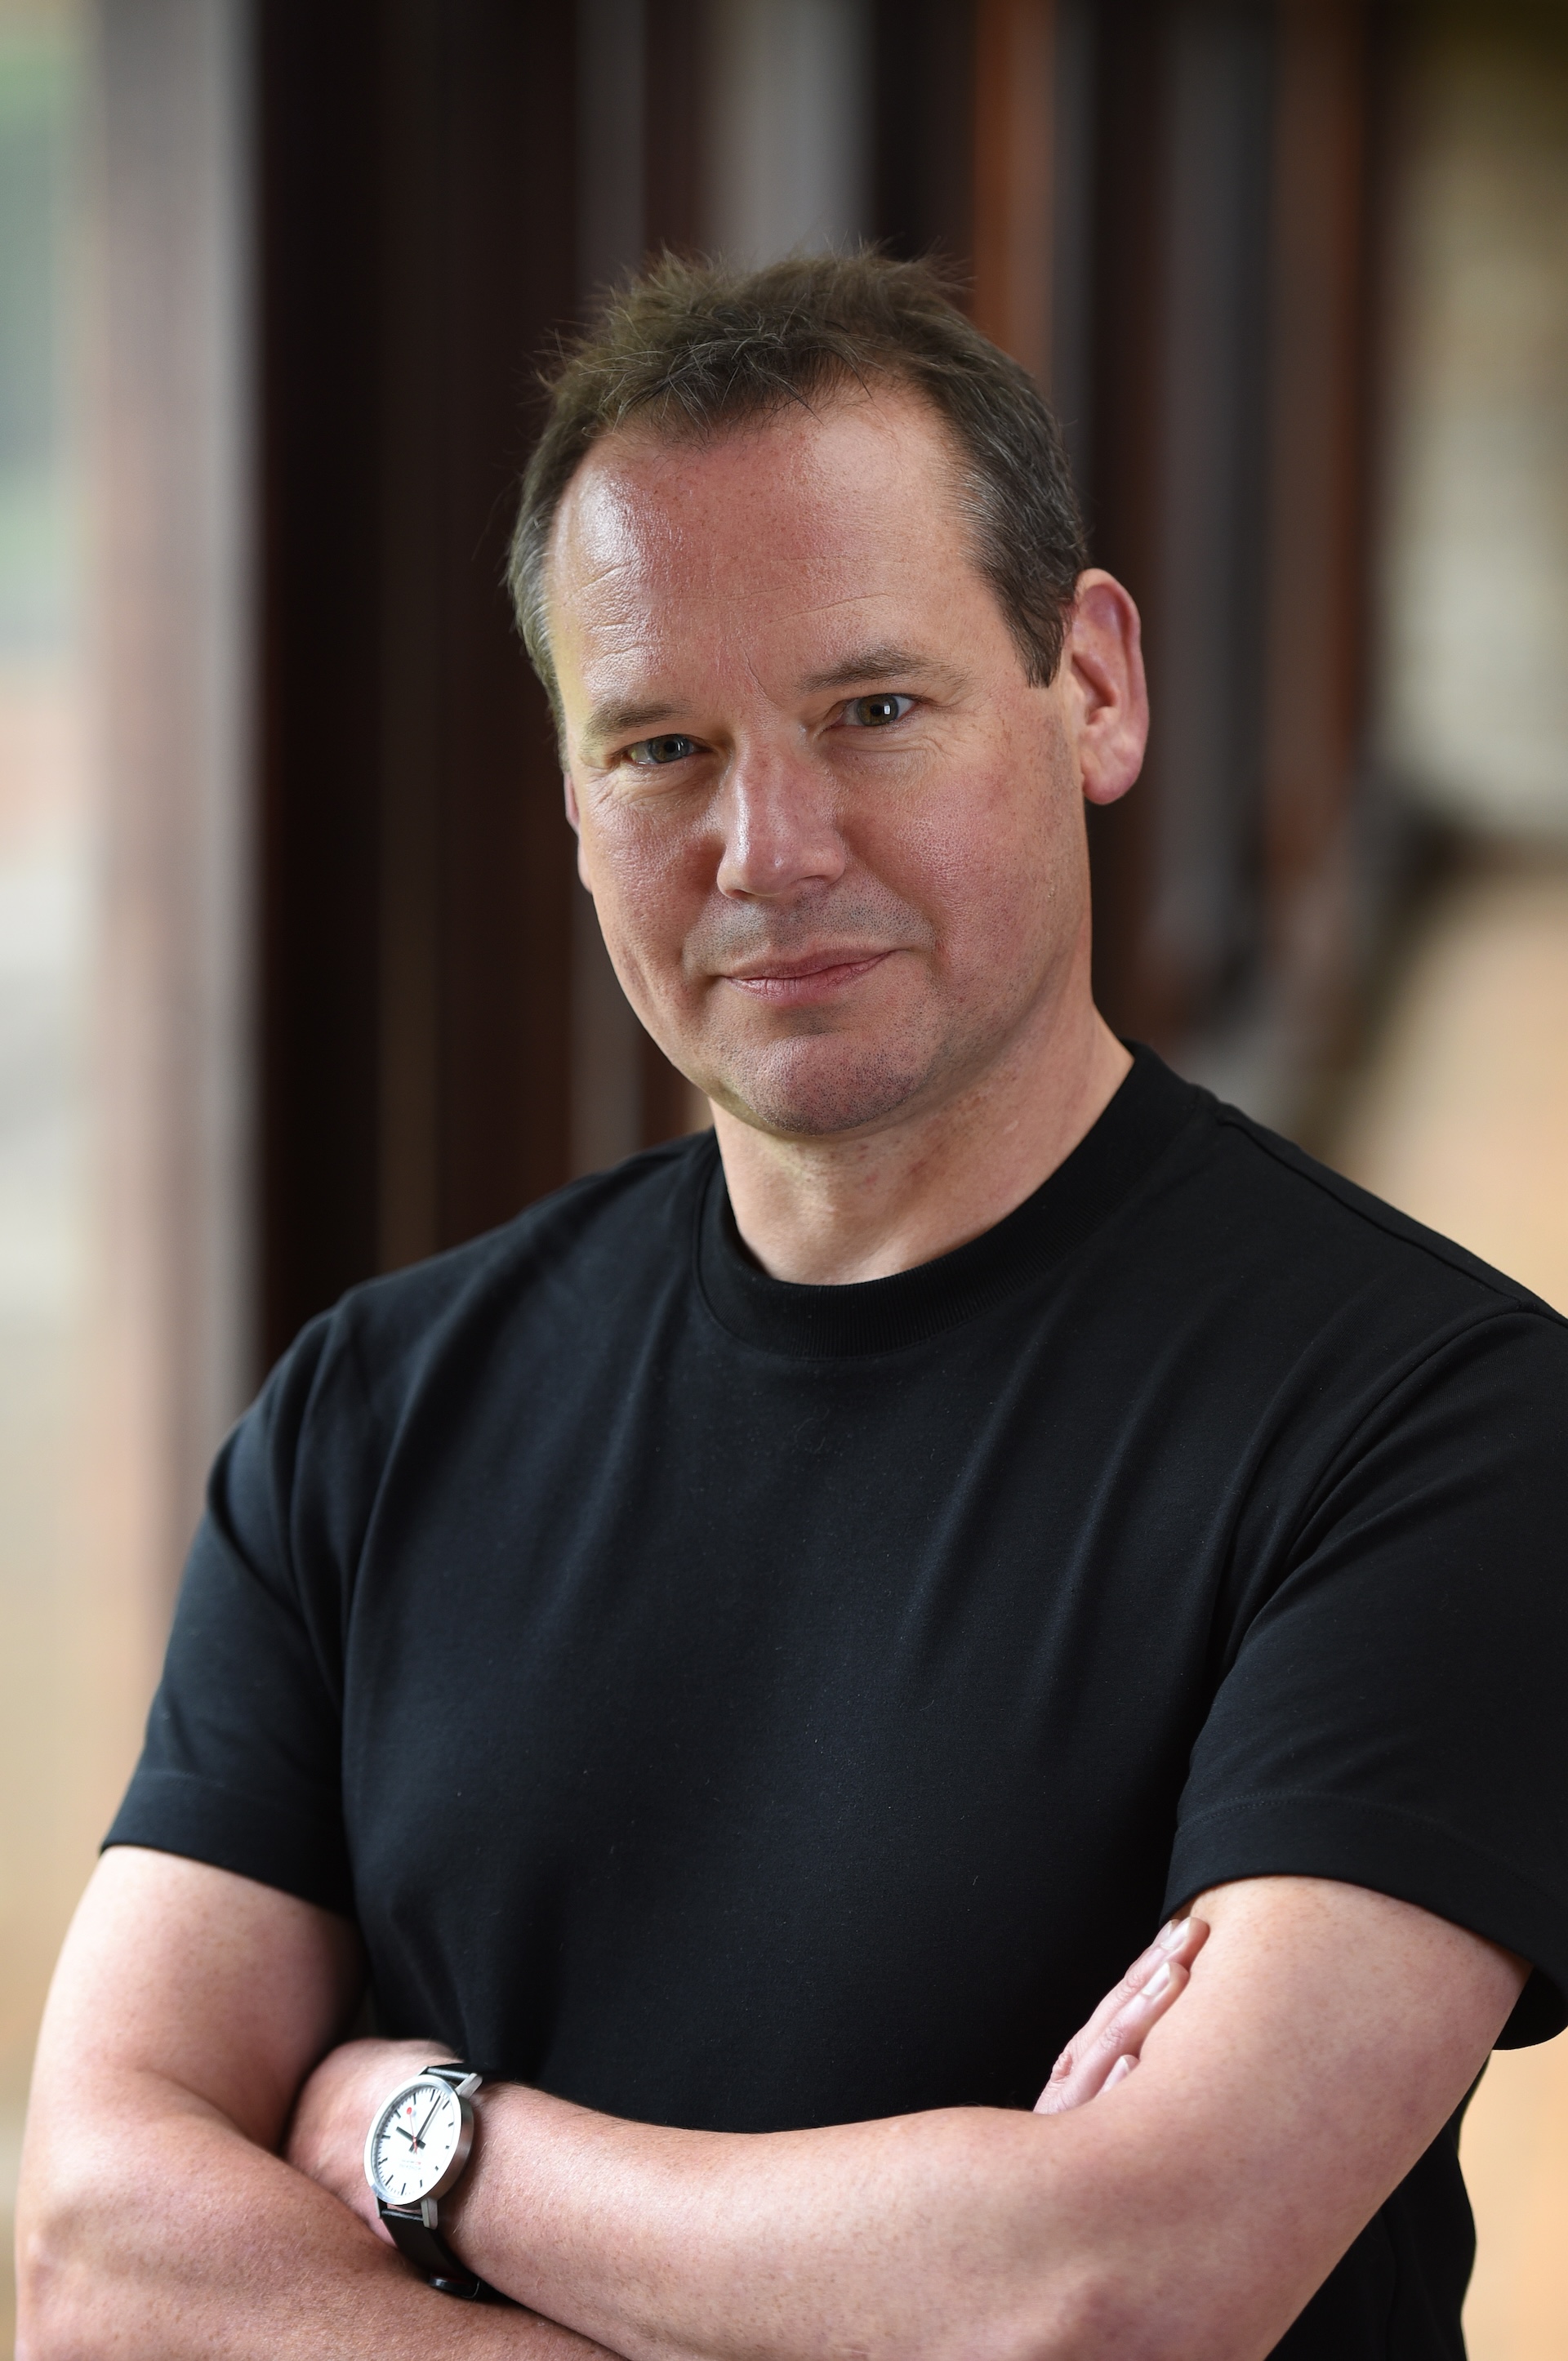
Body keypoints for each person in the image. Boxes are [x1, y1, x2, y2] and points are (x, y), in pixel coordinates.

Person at [17, 252, 1567, 2361]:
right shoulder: (372, 1414)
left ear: (1094, 687)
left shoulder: (1438, 1426)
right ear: (576, 805)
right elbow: (98, 2250)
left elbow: (1117, 2289)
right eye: (662, 746)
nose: (770, 847)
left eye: (874, 712)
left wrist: (428, 2141)